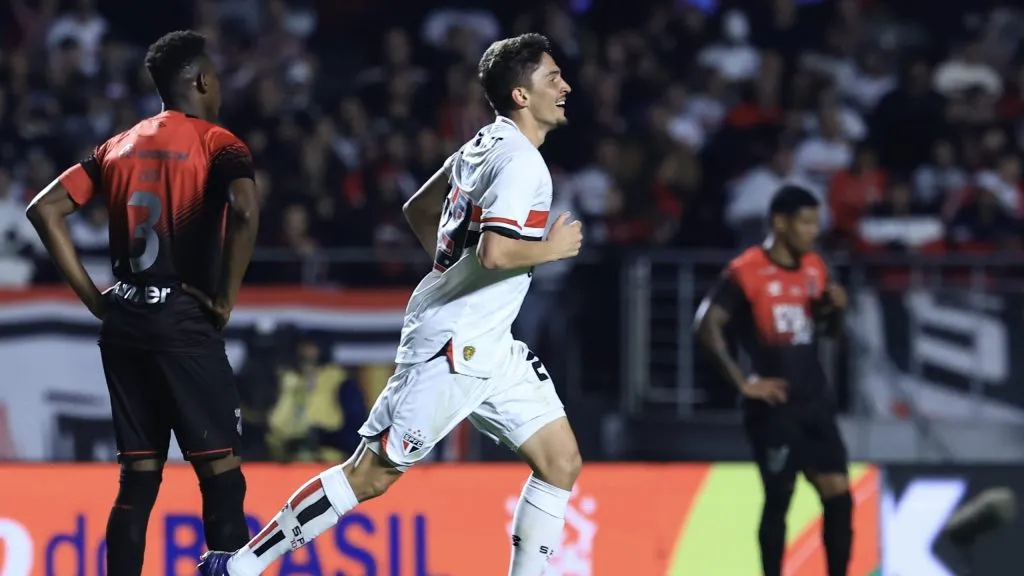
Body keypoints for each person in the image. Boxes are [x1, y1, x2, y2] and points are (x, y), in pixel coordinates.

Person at [199, 32, 582, 576]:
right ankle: (239, 567)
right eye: (552, 77)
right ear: (522, 95)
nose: (565, 86)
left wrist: (453, 273)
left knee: (560, 461)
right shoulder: (524, 166)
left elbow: (418, 207)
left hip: (489, 342)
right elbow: (497, 253)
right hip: (456, 345)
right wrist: (553, 248)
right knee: (371, 474)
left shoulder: (484, 143)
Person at [26, 30, 259, 575]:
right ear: (201, 80)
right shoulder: (218, 143)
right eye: (216, 75)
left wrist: (94, 299)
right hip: (183, 324)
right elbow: (245, 211)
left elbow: (44, 210)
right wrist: (224, 298)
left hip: (125, 324)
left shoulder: (117, 146)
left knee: (137, 481)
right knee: (223, 477)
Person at [693, 185, 852, 576]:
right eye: (806, 222)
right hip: (773, 407)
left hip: (814, 401)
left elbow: (828, 332)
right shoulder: (747, 270)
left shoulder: (815, 266)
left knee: (840, 497)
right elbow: (706, 325)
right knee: (780, 499)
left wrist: (835, 311)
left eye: (816, 223)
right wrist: (742, 384)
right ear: (779, 223)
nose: (813, 231)